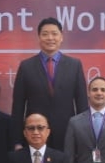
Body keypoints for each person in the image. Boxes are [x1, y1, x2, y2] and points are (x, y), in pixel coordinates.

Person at [10, 17, 87, 151]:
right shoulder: (26, 66)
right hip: (35, 135)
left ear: (61, 37)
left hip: (67, 135)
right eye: (45, 34)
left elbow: (82, 105)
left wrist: (83, 138)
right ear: (39, 38)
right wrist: (17, 141)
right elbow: (18, 107)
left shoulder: (74, 65)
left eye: (54, 33)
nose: (50, 38)